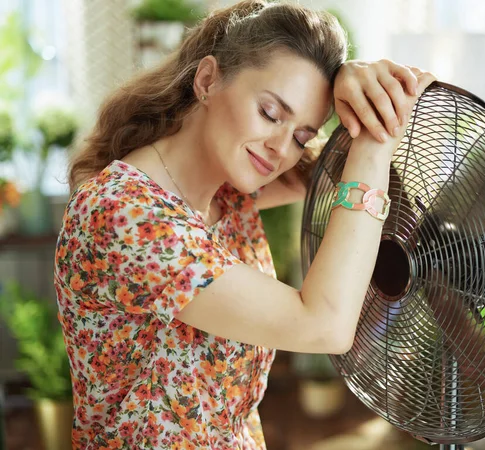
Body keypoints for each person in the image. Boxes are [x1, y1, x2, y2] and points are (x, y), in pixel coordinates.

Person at [54, 0, 435, 448]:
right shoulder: (126, 215)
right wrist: (376, 135)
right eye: (270, 113)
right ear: (208, 80)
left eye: (300, 136)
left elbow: (328, 170)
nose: (279, 147)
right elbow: (324, 325)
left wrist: (351, 80)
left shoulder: (225, 191)